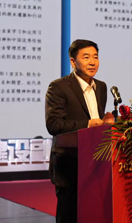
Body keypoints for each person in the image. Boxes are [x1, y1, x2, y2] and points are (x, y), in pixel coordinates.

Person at [45, 39, 114, 223]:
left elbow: (96, 119)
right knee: (69, 215)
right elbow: (54, 125)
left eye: (95, 57)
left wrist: (105, 123)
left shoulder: (101, 87)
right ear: (73, 62)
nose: (92, 62)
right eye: (86, 57)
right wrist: (88, 124)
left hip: (96, 161)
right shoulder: (59, 87)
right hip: (69, 162)